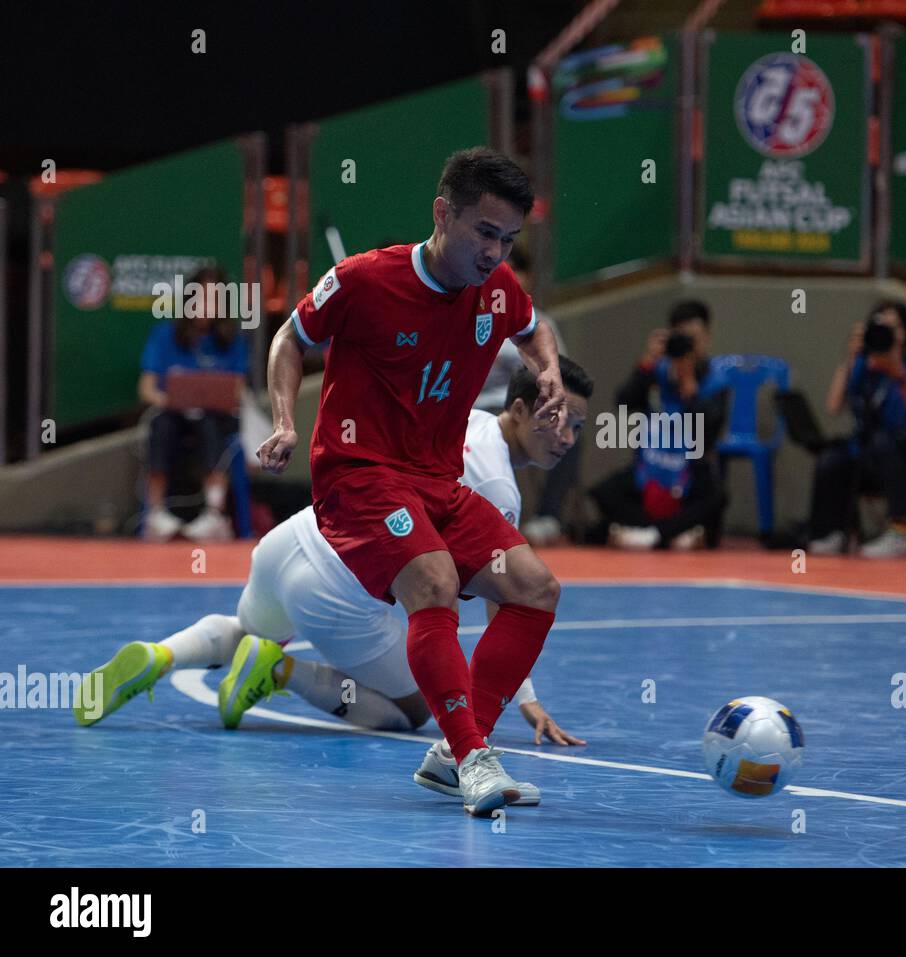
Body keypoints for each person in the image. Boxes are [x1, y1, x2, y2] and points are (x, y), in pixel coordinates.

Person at [74, 360, 594, 806]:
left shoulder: (463, 419)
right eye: (558, 420)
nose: (567, 438)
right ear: (520, 409)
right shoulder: (500, 487)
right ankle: (280, 670)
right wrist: (522, 695)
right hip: (336, 591)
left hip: (290, 541)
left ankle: (161, 655)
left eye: (577, 426)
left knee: (248, 627)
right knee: (413, 712)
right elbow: (503, 602)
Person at [256, 147, 565, 817]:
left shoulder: (498, 289)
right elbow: (290, 338)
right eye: (485, 233)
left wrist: (552, 374)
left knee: (536, 588)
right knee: (434, 582)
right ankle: (474, 754)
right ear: (442, 213)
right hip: (359, 475)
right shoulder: (365, 279)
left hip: (437, 482)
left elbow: (534, 330)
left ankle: (454, 759)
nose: (495, 252)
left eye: (509, 240)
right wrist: (285, 421)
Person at [589, 299, 729, 550]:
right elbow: (623, 402)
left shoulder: (717, 381)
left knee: (716, 499)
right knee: (604, 492)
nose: (686, 348)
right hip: (649, 470)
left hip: (689, 472)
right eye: (680, 340)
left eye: (692, 340)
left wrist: (690, 389)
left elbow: (707, 435)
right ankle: (673, 534)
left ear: (706, 338)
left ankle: (646, 533)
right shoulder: (657, 371)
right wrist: (646, 362)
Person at [806, 300, 906, 558]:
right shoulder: (863, 366)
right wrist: (850, 359)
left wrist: (898, 372)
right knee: (832, 458)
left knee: (882, 442)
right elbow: (833, 406)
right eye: (881, 325)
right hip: (869, 452)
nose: (888, 331)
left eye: (895, 325)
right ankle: (833, 532)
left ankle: (902, 531)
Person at [472, 248, 576, 546]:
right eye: (504, 268)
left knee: (570, 431)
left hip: (528, 409)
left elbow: (562, 376)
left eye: (517, 268)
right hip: (478, 410)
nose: (510, 274)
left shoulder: (541, 325)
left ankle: (548, 517)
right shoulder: (474, 316)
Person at [138, 265, 249, 542]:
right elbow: (146, 388)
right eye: (200, 298)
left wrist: (213, 398)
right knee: (160, 425)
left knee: (211, 426)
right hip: (173, 414)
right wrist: (173, 399)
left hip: (215, 417)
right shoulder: (165, 334)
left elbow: (237, 392)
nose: (205, 306)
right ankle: (155, 513)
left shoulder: (231, 340)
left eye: (213, 299)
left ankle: (214, 514)